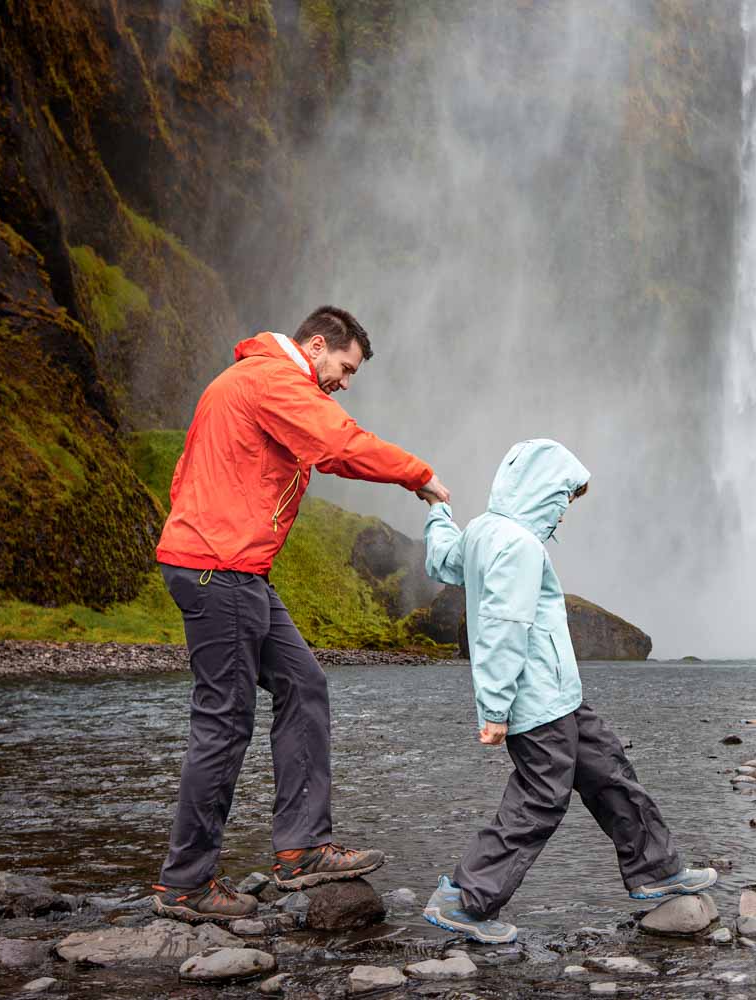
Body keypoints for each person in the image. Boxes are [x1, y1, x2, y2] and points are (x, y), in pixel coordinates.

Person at [149, 305, 449, 923]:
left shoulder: (247, 381)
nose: (344, 381)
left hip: (233, 567)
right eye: (344, 367)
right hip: (220, 568)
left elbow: (185, 475)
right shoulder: (272, 380)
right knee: (225, 720)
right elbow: (337, 443)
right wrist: (417, 475)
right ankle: (186, 884)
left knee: (303, 683)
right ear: (315, 346)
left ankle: (301, 848)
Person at [417, 438, 715, 944]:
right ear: (540, 490)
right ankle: (465, 900)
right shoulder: (519, 546)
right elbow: (502, 628)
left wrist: (438, 510)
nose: (563, 513)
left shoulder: (484, 531)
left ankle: (656, 869)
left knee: (611, 773)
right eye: (563, 499)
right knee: (541, 799)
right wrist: (495, 708)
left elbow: (443, 560)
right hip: (536, 706)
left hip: (563, 696)